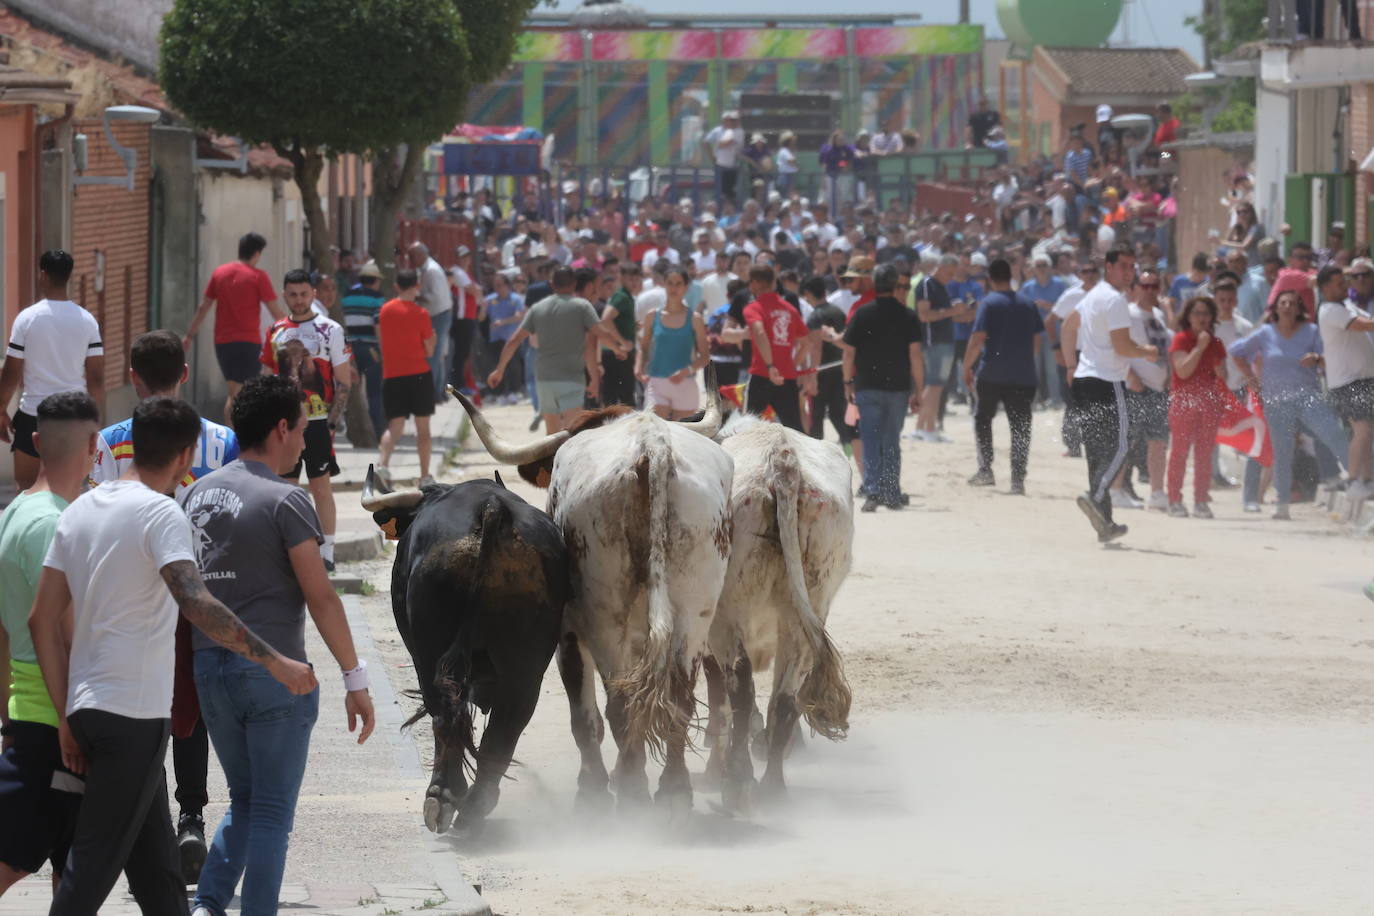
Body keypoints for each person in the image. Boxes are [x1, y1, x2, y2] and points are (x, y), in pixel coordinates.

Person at [29, 396, 316, 916]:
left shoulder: (80, 511)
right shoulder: (163, 512)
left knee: (158, 875)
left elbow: (40, 620)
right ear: (186, 456)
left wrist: (68, 710)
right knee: (88, 872)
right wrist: (275, 661)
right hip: (132, 717)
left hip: (93, 710)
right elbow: (197, 603)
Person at [183, 375, 376, 916]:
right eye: (302, 430)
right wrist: (355, 679)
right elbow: (321, 597)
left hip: (210, 673)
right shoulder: (288, 499)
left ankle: (208, 905)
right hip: (274, 675)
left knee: (245, 800)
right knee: (269, 811)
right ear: (282, 428)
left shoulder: (196, 494)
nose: (305, 443)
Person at [87, 330, 240, 881]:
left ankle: (139, 822)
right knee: (190, 711)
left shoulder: (107, 443)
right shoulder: (222, 441)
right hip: (200, 594)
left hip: (127, 596)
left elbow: (97, 518)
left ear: (132, 377)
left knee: (139, 707)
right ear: (183, 372)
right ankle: (191, 817)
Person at [0, 392, 99, 900]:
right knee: (15, 859)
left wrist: (7, 719)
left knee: (73, 871)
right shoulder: (55, 525)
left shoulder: (14, 512)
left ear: (35, 442)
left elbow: (3, 631)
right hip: (55, 724)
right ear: (94, 446)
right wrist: (69, 724)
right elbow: (60, 632)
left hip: (31, 715)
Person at [1060, 246, 1158, 542]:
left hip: (1084, 381)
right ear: (1110, 268)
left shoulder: (1093, 294)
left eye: (1132, 267)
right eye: (1124, 266)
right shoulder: (1114, 299)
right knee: (1122, 444)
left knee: (1097, 453)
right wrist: (1148, 352)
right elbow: (1123, 347)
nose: (1129, 272)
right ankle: (1096, 494)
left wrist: (1070, 365)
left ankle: (1105, 521)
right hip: (1107, 382)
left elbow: (1067, 326)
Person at [259, 269, 353, 572]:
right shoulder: (275, 331)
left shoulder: (331, 330)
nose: (298, 300)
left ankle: (327, 551)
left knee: (320, 486)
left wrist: (331, 422)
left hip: (317, 421)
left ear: (313, 294)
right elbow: (266, 376)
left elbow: (344, 382)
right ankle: (287, 549)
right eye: (292, 295)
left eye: (303, 294)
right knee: (285, 487)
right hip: (282, 424)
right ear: (284, 295)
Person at [1230, 288, 1350, 518]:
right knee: (1282, 452)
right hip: (1276, 402)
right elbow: (1236, 352)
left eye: (1292, 303)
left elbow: (1329, 356)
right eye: (1282, 303)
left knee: (1333, 434)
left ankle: (1359, 479)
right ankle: (1282, 505)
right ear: (1275, 309)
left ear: (1299, 309)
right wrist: (1252, 379)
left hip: (1308, 398)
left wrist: (1317, 359)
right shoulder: (1265, 333)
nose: (1287, 307)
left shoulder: (1311, 331)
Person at [0, 250, 105, 491]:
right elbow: (96, 379)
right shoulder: (87, 321)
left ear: (43, 275)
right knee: (70, 489)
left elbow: (11, 372)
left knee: (26, 488)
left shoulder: (27, 319)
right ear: (69, 276)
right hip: (75, 417)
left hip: (33, 415)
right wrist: (97, 423)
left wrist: (1, 409)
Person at [487, 266, 624, 433]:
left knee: (552, 435)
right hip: (571, 379)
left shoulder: (538, 308)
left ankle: (551, 459)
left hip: (545, 380)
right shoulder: (582, 307)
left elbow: (515, 340)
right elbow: (599, 335)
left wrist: (499, 370)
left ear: (552, 284)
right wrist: (617, 349)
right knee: (572, 433)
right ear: (574, 284)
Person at [843, 264, 923, 512]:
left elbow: (848, 353)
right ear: (894, 284)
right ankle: (891, 492)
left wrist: (847, 382)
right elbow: (916, 356)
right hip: (898, 387)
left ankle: (873, 490)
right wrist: (919, 389)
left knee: (870, 438)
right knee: (891, 440)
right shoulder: (908, 315)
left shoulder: (862, 313)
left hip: (867, 386)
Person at [184, 233, 284, 425]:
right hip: (249, 341)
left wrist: (189, 335)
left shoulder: (220, 273)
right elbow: (274, 310)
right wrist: (292, 328)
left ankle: (231, 438)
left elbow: (203, 307)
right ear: (256, 253)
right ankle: (240, 439)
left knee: (233, 391)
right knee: (244, 392)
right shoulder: (258, 277)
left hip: (223, 342)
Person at [962, 258, 1043, 494]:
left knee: (983, 419)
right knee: (1020, 427)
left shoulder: (989, 303)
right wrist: (1028, 358)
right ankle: (1018, 479)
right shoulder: (1028, 303)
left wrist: (966, 366)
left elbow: (977, 339)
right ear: (1010, 276)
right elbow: (1038, 338)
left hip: (992, 374)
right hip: (1023, 374)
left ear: (990, 278)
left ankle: (986, 469)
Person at [1166, 296, 1229, 518]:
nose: (1201, 318)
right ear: (1188, 316)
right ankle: (1174, 499)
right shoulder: (1181, 339)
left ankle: (1201, 500)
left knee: (1204, 454)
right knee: (1180, 453)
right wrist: (1200, 348)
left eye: (1206, 314)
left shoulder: (1217, 343)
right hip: (1184, 403)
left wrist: (1221, 371)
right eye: (1197, 313)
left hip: (1209, 404)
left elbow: (1223, 374)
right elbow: (1183, 371)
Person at [1117, 271, 1174, 512]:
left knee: (1158, 442)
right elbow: (1117, 347)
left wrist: (1171, 374)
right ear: (1137, 287)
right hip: (1136, 387)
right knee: (1126, 440)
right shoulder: (1128, 314)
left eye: (1155, 286)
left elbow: (1172, 344)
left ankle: (1157, 492)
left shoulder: (1160, 315)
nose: (1150, 290)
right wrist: (1131, 376)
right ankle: (1114, 488)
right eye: (1146, 285)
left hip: (1159, 387)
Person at [1317, 262, 1374, 498]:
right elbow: (1363, 326)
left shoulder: (1346, 305)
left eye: (1345, 282)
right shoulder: (1330, 310)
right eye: (1339, 284)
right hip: (1349, 382)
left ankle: (1367, 480)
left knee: (1366, 432)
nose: (1345, 287)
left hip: (1363, 379)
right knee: (1362, 431)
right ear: (1325, 288)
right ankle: (1352, 481)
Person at [376, 269, 436, 487]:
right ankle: (425, 476)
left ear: (396, 286)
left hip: (392, 375)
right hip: (419, 374)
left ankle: (382, 467)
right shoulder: (421, 314)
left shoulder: (384, 311)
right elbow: (429, 350)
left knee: (395, 426)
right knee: (423, 428)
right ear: (417, 286)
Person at [743, 265, 812, 431]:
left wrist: (770, 366)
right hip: (786, 377)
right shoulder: (789, 309)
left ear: (754, 283)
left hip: (761, 374)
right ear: (773, 283)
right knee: (794, 430)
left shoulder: (753, 307)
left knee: (747, 429)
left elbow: (759, 332)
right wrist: (793, 364)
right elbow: (806, 343)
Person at [636, 267, 710, 420]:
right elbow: (643, 348)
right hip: (657, 383)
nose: (674, 288)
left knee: (683, 438)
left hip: (686, 383)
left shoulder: (695, 319)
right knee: (655, 434)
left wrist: (686, 371)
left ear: (686, 287)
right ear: (664, 285)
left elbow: (705, 357)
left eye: (678, 284)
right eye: (670, 283)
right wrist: (638, 367)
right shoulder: (652, 316)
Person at [912, 254, 972, 441]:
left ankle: (924, 427)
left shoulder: (939, 286)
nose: (951, 277)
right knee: (934, 385)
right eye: (949, 273)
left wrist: (960, 313)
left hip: (943, 339)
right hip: (934, 341)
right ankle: (928, 428)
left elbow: (942, 314)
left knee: (936, 385)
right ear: (939, 268)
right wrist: (952, 311)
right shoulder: (928, 285)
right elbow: (924, 315)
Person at [802, 276, 859, 462]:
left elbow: (816, 347)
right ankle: (850, 453)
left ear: (808, 294)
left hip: (823, 371)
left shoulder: (815, 316)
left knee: (816, 418)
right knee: (839, 415)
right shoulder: (837, 311)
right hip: (840, 368)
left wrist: (812, 375)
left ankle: (815, 460)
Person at [340, 260, 387, 437]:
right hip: (371, 349)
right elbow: (378, 326)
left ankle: (352, 429)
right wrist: (383, 351)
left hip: (350, 350)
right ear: (376, 280)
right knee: (374, 392)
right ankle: (376, 430)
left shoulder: (346, 298)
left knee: (351, 391)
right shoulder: (377, 299)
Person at [407, 242, 454, 400]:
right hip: (437, 314)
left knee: (433, 355)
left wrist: (416, 295)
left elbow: (435, 297)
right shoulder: (428, 269)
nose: (411, 260)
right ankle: (437, 392)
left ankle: (432, 392)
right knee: (437, 354)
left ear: (421, 254)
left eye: (413, 256)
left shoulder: (432, 271)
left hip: (438, 315)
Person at [1020, 254, 1068, 406]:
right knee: (1033, 368)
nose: (1041, 268)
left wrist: (1049, 306)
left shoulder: (1060, 284)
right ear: (1033, 269)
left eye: (1043, 265)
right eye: (1038, 265)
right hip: (1033, 334)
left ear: (1049, 268)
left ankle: (1055, 399)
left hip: (1053, 333)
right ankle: (1033, 400)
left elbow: (1068, 309)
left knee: (1052, 368)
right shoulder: (1027, 287)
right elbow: (1019, 308)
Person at [598, 263, 641, 407]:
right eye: (630, 279)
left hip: (616, 353)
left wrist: (631, 327)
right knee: (623, 400)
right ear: (622, 279)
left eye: (636, 279)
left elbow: (614, 320)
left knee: (619, 398)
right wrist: (622, 342)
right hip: (617, 354)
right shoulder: (621, 296)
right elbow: (605, 319)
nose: (634, 283)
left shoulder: (627, 297)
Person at [485, 270, 527, 400]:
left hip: (511, 337)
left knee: (513, 365)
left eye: (499, 285)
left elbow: (520, 316)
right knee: (497, 365)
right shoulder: (490, 300)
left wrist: (503, 322)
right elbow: (481, 317)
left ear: (506, 285)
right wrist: (481, 309)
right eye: (495, 285)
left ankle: (516, 390)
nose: (496, 288)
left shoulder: (516, 299)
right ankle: (500, 392)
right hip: (495, 337)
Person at [1267, 241, 1318, 316]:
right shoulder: (1288, 275)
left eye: (1309, 258)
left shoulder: (1308, 272)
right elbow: (1322, 280)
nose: (1306, 261)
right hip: (1281, 325)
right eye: (1300, 257)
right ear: (1290, 260)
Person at [704, 110, 744, 204]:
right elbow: (706, 142)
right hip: (720, 165)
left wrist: (718, 145)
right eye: (728, 120)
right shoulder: (718, 130)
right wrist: (712, 157)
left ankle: (729, 208)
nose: (730, 122)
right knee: (721, 190)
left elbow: (725, 144)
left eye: (732, 120)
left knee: (730, 190)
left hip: (732, 165)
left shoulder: (738, 131)